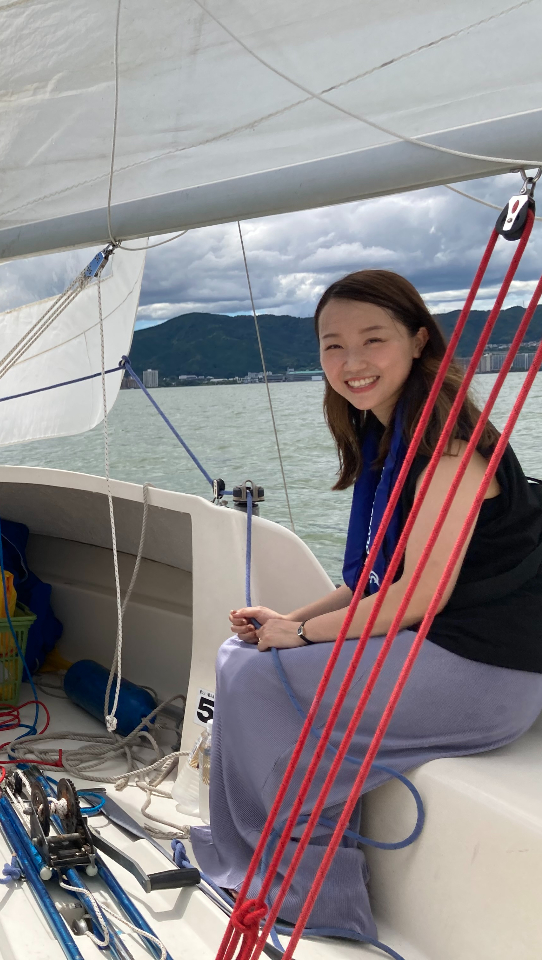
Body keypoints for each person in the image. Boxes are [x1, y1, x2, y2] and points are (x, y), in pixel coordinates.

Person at [191, 270, 542, 938]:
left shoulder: (448, 450)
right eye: (333, 345)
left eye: (373, 340)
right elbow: (373, 582)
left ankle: (310, 896)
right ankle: (257, 860)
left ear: (418, 341)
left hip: (486, 673)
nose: (352, 361)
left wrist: (301, 638)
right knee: (238, 656)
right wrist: (291, 621)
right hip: (433, 646)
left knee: (262, 681)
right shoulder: (388, 441)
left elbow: (421, 594)